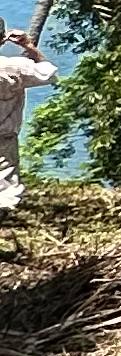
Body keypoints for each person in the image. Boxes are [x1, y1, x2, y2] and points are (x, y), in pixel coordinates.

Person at [0, 12, 57, 212]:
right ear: (2, 39)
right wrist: (28, 46)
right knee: (6, 189)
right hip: (4, 137)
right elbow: (48, 72)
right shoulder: (14, 68)